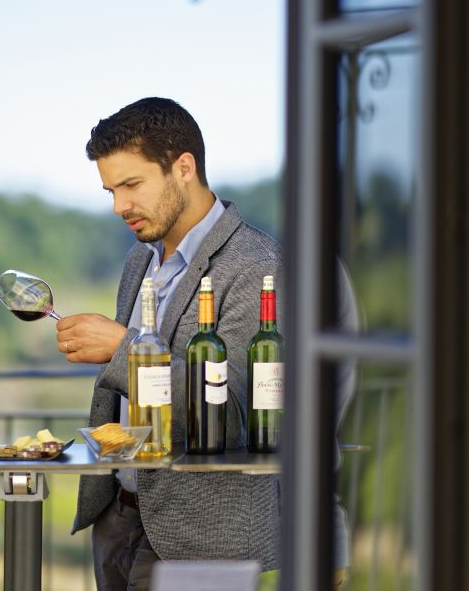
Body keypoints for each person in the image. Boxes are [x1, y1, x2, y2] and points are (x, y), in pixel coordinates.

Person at [57, 97, 357, 590]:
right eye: (111, 189)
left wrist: (121, 348)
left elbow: (236, 413)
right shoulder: (140, 261)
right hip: (120, 520)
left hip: (202, 535)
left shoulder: (257, 267)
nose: (119, 206)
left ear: (184, 167)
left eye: (131, 185)